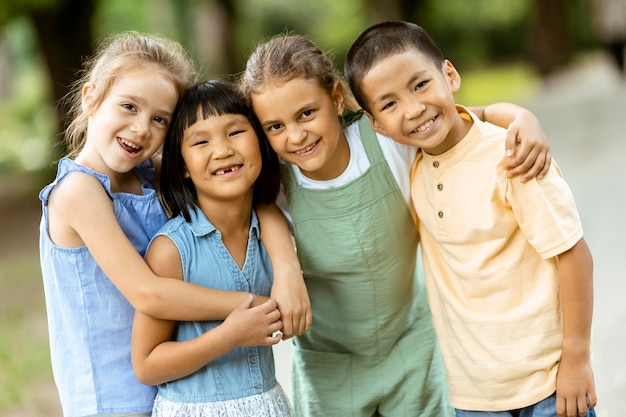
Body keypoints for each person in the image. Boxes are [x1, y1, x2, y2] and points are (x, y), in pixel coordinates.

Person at [239, 33, 553, 417]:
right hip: (329, 365)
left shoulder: (385, 137)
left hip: (411, 347)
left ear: (337, 98)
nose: (296, 135)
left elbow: (470, 117)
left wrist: (522, 118)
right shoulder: (277, 183)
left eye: (307, 113)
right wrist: (286, 269)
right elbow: (256, 207)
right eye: (274, 127)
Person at [39, 32, 309, 417]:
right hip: (109, 396)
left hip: (174, 383)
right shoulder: (77, 191)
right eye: (129, 106)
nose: (141, 128)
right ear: (91, 98)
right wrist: (255, 308)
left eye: (159, 119)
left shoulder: (149, 175)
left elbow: (244, 197)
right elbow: (148, 293)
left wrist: (286, 268)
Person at [344, 21, 597, 417]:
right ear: (376, 124)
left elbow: (574, 254)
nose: (412, 109)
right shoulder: (411, 163)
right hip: (472, 396)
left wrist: (577, 358)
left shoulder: (512, 156)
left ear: (450, 75)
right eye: (389, 104)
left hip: (548, 383)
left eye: (420, 84)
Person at [131, 79, 294, 417]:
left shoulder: (271, 232)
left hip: (268, 404)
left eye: (235, 132)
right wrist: (228, 336)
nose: (222, 150)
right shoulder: (171, 250)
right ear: (183, 166)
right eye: (201, 141)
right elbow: (147, 365)